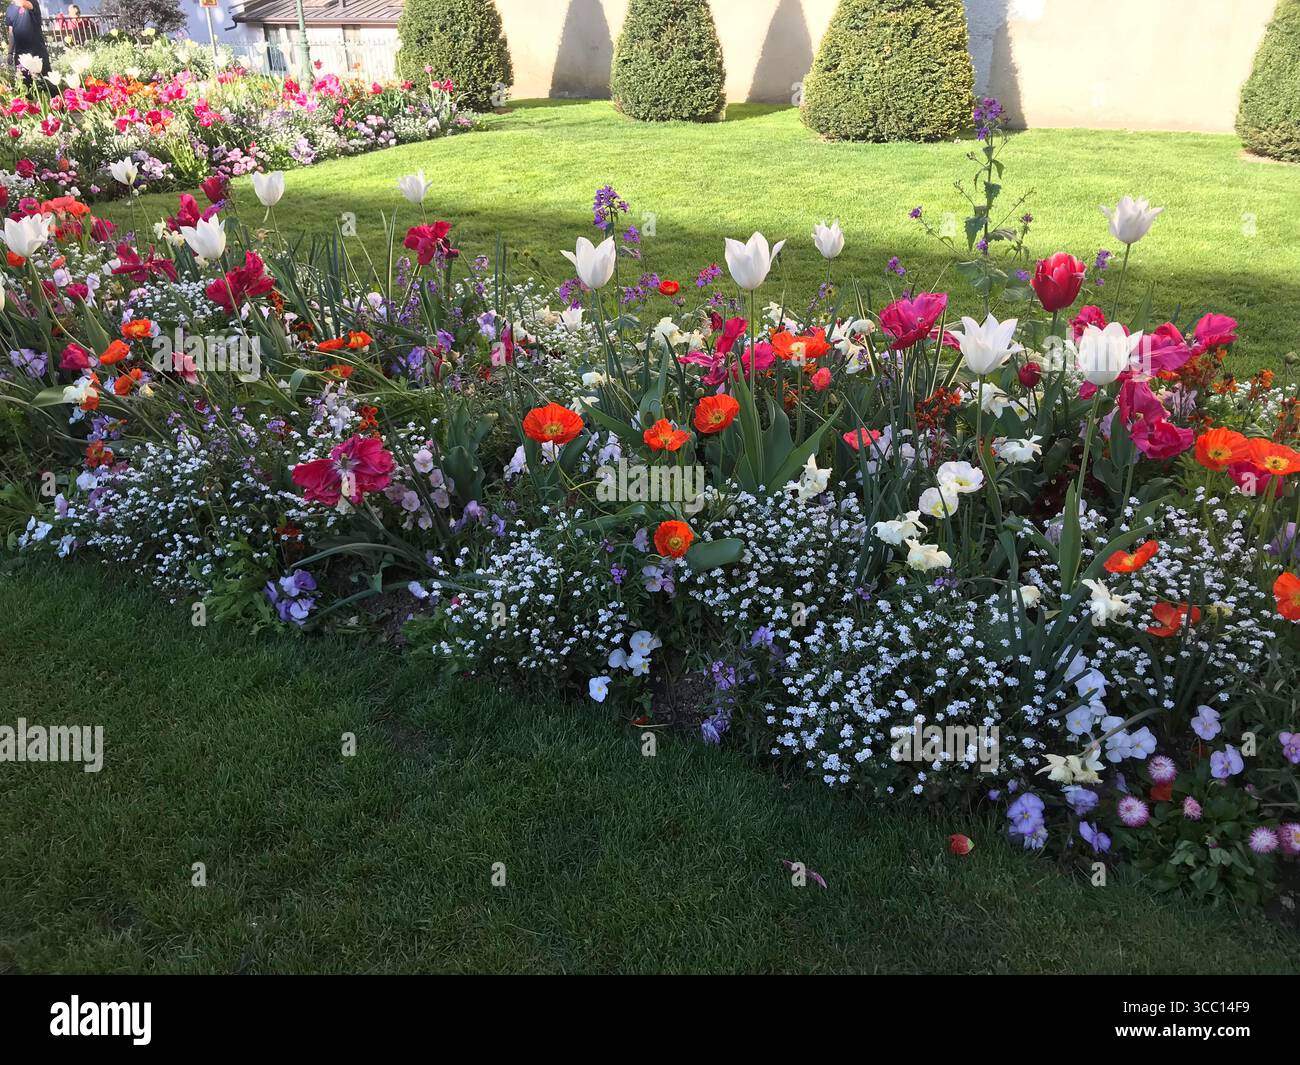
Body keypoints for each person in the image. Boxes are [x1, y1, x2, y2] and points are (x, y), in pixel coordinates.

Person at [6, 0, 50, 82]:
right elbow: (11, 32)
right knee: (26, 86)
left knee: (47, 83)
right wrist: (10, 52)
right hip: (20, 54)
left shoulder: (32, 2)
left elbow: (22, 3)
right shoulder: (10, 9)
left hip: (37, 52)